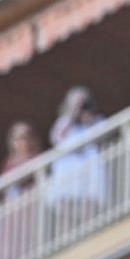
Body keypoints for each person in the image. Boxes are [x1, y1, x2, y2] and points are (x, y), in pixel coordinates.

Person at [45, 87, 108, 231]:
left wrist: (89, 122)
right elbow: (56, 138)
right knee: (65, 210)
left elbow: (104, 143)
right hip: (68, 174)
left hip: (90, 173)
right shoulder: (64, 123)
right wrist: (73, 117)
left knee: (90, 209)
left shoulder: (98, 121)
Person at [0, 122, 43, 259]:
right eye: (19, 138)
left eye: (27, 137)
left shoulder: (39, 158)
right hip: (13, 210)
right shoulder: (8, 164)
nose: (24, 142)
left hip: (32, 206)